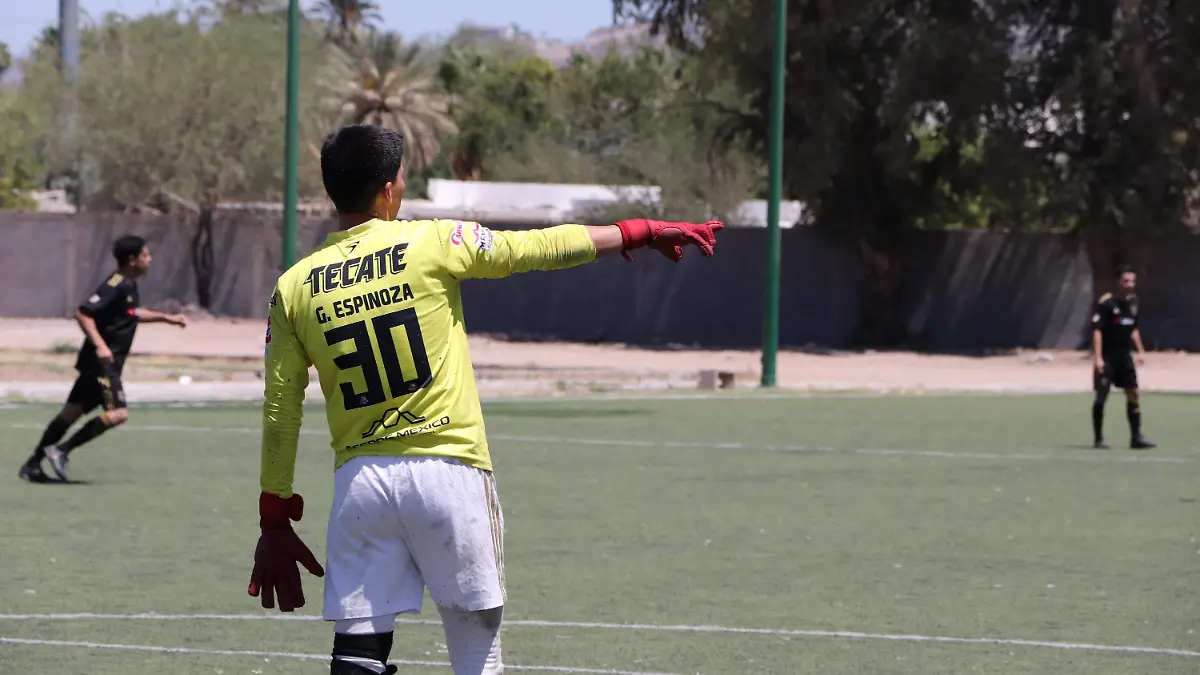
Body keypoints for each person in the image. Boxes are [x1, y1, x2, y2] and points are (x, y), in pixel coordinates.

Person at [247, 124, 724, 675]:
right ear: (388, 188)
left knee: (357, 658)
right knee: (476, 651)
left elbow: (281, 409)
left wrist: (274, 517)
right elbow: (540, 247)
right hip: (448, 472)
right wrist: (637, 231)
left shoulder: (294, 286)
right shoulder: (432, 243)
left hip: (362, 484)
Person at [18, 235, 189, 483]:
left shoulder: (129, 286)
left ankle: (32, 465)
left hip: (96, 364)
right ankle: (61, 450)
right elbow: (84, 313)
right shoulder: (115, 284)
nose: (150, 260)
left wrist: (166, 318)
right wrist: (100, 346)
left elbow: (131, 313)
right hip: (103, 364)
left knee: (70, 414)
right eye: (145, 255)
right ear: (132, 260)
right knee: (118, 413)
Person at [1091, 265, 1156, 450]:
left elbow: (1133, 328)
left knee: (1134, 393)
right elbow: (1098, 331)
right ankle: (1099, 438)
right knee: (1102, 394)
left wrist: (1141, 350)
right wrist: (1098, 358)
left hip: (1125, 356)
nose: (1130, 285)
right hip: (1108, 356)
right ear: (1118, 281)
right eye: (1126, 281)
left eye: (1132, 281)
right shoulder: (1107, 303)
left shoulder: (1134, 303)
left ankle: (1136, 437)